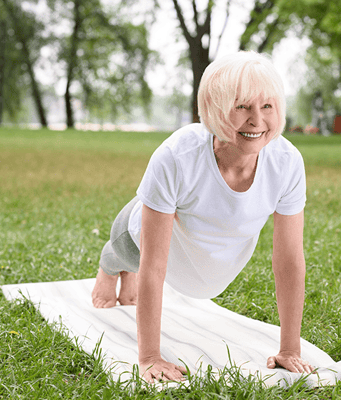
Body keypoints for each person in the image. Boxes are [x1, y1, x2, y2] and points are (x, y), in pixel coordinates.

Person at [91, 51, 313, 382]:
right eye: (241, 106)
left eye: (266, 106)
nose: (256, 120)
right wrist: (150, 357)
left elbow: (289, 261)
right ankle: (109, 270)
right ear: (213, 109)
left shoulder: (286, 162)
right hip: (140, 235)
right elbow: (154, 264)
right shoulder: (177, 155)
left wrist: (290, 349)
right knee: (124, 253)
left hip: (207, 255)